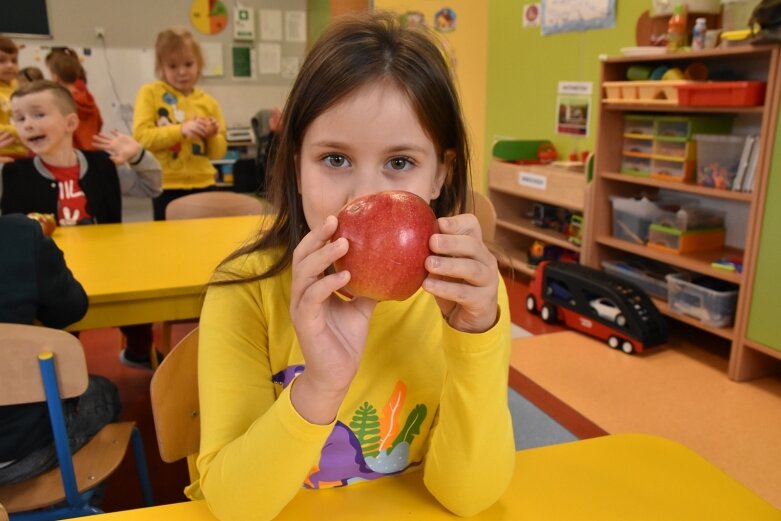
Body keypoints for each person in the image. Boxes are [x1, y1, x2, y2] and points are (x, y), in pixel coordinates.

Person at [191, 12, 514, 521]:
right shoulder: (243, 292)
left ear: (441, 174)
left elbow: (470, 497)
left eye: (401, 162)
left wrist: (477, 337)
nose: (366, 195)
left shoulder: (467, 297)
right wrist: (321, 385)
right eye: (336, 159)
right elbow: (234, 506)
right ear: (296, 165)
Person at [0, 80, 163, 369]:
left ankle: (139, 351)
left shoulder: (103, 164)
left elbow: (151, 188)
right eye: (20, 117)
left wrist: (138, 155)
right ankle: (61, 373)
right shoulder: (11, 174)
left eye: (38, 115)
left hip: (109, 265)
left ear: (70, 122)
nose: (27, 125)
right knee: (58, 318)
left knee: (136, 303)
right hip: (51, 274)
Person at [0, 211, 121, 485]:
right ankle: (82, 499)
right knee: (106, 393)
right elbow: (69, 309)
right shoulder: (19, 237)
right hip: (20, 451)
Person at [133, 27, 227, 221]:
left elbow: (218, 152)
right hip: (166, 187)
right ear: (161, 67)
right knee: (169, 245)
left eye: (189, 64)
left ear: (199, 64)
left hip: (204, 184)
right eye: (173, 66)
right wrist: (181, 130)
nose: (182, 72)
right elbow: (142, 137)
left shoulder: (208, 102)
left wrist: (212, 136)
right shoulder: (150, 93)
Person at [46, 48, 103, 151]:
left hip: (72, 152)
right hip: (93, 150)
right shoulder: (87, 96)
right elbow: (100, 121)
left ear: (55, 77)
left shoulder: (62, 102)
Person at [0, 36, 28, 158]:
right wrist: (23, 130)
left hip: (24, 153)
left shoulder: (18, 88)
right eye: (1, 61)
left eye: (14, 60)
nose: (10, 65)